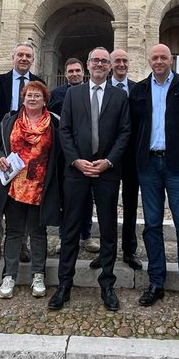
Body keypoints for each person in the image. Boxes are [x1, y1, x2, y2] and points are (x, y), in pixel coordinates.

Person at [50, 47, 132, 312]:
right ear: (87, 65)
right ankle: (64, 283)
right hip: (77, 171)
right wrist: (76, 160)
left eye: (104, 61)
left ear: (110, 67)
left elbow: (124, 132)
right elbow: (65, 131)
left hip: (106, 171)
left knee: (108, 228)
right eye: (95, 60)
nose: (99, 64)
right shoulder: (73, 94)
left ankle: (107, 283)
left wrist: (107, 162)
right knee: (71, 228)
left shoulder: (119, 96)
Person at [130, 43, 179, 312]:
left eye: (164, 57)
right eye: (155, 57)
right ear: (149, 60)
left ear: (171, 60)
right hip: (149, 165)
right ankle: (156, 282)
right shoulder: (138, 90)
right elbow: (132, 129)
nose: (159, 61)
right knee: (151, 225)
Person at [0, 81, 62, 299]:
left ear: (45, 100)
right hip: (13, 185)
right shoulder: (10, 121)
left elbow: (61, 153)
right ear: (23, 98)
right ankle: (9, 274)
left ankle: (38, 274)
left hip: (41, 186)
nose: (32, 98)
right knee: (14, 231)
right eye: (29, 95)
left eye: (37, 95)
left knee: (38, 232)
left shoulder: (54, 123)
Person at [0, 43, 44, 263]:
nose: (24, 58)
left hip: (28, 152)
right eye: (20, 55)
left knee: (25, 198)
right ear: (13, 57)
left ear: (32, 59)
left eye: (28, 56)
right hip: (2, 148)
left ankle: (23, 244)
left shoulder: (38, 83)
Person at [48, 57, 98, 256]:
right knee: (64, 198)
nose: (75, 74)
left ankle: (85, 236)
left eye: (78, 71)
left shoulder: (91, 91)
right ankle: (65, 237)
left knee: (88, 198)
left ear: (83, 72)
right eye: (71, 71)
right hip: (63, 154)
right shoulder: (56, 94)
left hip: (87, 153)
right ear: (65, 74)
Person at [108, 48, 143, 271]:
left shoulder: (138, 89)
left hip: (132, 156)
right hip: (108, 155)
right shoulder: (103, 88)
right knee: (107, 204)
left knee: (130, 205)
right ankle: (107, 250)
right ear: (111, 64)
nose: (121, 64)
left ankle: (129, 249)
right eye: (117, 61)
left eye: (124, 61)